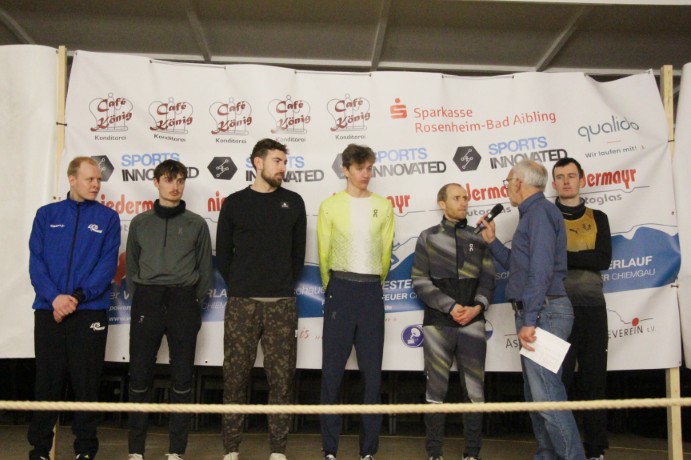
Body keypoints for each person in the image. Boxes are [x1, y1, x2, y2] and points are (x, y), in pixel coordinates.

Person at [478, 160, 585, 460]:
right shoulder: (533, 214)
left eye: (507, 182)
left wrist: (530, 319)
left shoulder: (539, 214)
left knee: (546, 395)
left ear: (519, 183)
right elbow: (520, 266)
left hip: (543, 312)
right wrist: (492, 242)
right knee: (536, 395)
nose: (506, 188)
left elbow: (540, 272)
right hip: (539, 311)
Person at [216, 139, 307, 460]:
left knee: (281, 380)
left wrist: (279, 285)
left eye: (285, 162)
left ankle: (278, 450)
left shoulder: (293, 202)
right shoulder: (234, 203)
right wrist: (242, 285)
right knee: (234, 377)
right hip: (242, 303)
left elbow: (298, 256)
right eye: (277, 161)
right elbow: (223, 255)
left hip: (281, 304)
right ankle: (231, 448)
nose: (283, 167)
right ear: (258, 162)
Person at [28, 156, 121, 460]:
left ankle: (85, 451)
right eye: (89, 179)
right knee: (47, 382)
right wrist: (55, 298)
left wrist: (77, 298)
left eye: (98, 180)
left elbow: (106, 266)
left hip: (89, 311)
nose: (96, 185)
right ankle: (40, 450)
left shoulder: (108, 218)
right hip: (49, 310)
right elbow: (36, 263)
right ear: (72, 179)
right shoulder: (46, 215)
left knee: (87, 383)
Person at [125, 159, 213, 460]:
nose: (175, 186)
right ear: (156, 182)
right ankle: (136, 450)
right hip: (147, 300)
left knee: (182, 376)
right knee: (139, 375)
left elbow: (205, 270)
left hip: (183, 301)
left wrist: (191, 301)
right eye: (168, 179)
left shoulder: (197, 223)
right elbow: (132, 267)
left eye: (180, 180)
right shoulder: (140, 223)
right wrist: (142, 296)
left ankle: (176, 450)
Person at [317, 144, 395, 460]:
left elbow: (386, 255)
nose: (366, 174)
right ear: (346, 169)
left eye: (369, 168)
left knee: (372, 376)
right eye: (360, 168)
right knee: (332, 374)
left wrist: (371, 285)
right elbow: (323, 255)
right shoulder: (330, 206)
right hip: (340, 288)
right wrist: (334, 288)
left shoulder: (384, 206)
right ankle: (330, 449)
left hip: (371, 291)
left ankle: (368, 451)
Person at [411, 183, 495, 460]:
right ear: (442, 203)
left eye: (465, 197)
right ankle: (435, 453)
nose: (464, 202)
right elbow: (419, 280)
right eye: (457, 198)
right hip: (438, 323)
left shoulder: (478, 237)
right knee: (435, 390)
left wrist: (476, 307)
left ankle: (471, 454)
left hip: (473, 322)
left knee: (475, 391)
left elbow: (488, 279)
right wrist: (451, 306)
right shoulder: (428, 237)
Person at [553, 157, 612, 460]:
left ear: (582, 179)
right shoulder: (547, 217)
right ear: (553, 183)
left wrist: (562, 257)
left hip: (592, 309)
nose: (566, 181)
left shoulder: (598, 217)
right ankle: (562, 449)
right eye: (560, 177)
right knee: (558, 382)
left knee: (594, 381)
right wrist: (581, 258)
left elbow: (603, 259)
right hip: (556, 310)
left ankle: (595, 450)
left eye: (571, 176)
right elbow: (544, 259)